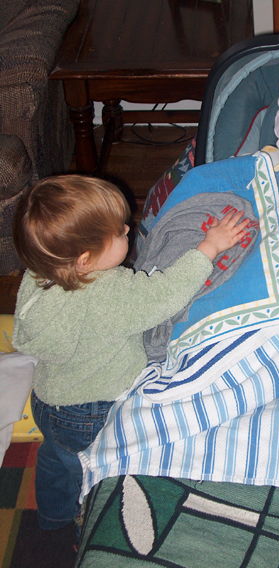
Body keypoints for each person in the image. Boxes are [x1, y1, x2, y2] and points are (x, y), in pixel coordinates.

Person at [12, 174, 249, 535]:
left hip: (48, 399)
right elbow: (166, 294)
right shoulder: (109, 293)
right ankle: (86, 523)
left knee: (56, 460)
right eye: (120, 233)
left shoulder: (38, 274)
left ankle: (53, 516)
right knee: (93, 467)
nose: (128, 229)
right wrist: (209, 247)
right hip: (91, 409)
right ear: (85, 260)